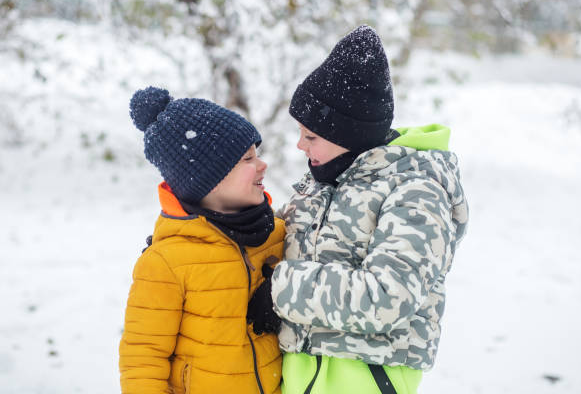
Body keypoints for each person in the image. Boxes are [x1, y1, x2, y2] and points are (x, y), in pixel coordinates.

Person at [268, 25, 469, 393]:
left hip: (365, 379)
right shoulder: (324, 181)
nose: (299, 145)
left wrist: (275, 287)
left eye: (310, 135)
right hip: (299, 377)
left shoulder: (416, 190)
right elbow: (272, 238)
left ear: (348, 134)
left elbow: (387, 298)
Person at [118, 87, 285, 394]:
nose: (262, 165)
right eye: (247, 158)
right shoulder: (167, 262)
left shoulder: (275, 233)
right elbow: (143, 360)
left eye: (257, 154)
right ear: (209, 179)